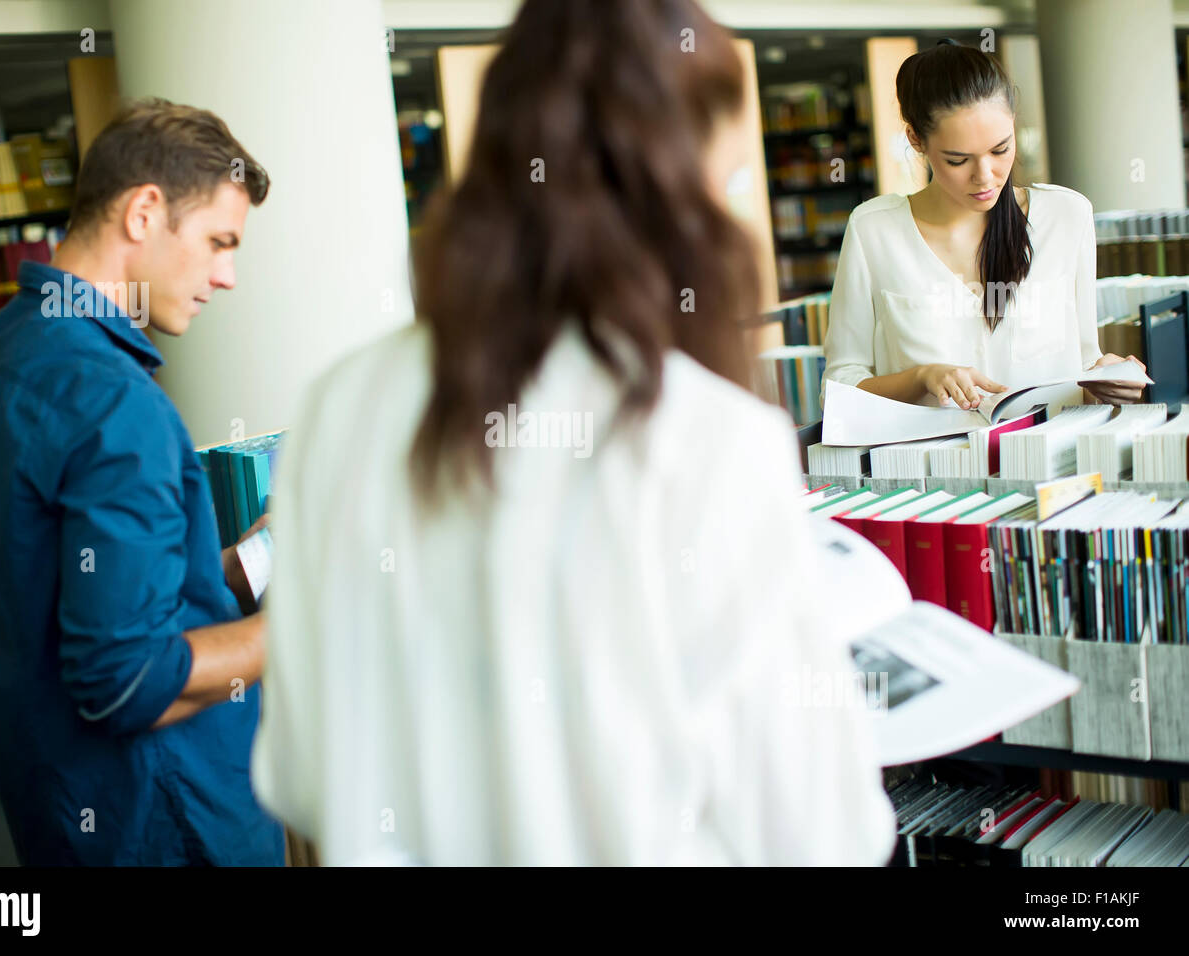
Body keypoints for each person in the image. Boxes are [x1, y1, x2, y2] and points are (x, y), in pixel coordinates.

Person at [251, 0, 897, 865]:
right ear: (677, 191)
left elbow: (299, 774)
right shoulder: (711, 441)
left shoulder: (336, 411)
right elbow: (817, 833)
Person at [0, 99, 285, 865]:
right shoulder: (116, 404)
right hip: (168, 820)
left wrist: (233, 573)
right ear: (143, 213)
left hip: (60, 804)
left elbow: (63, 592)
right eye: (218, 242)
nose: (226, 277)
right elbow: (128, 680)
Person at [824, 39, 1145, 411]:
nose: (986, 176)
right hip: (933, 450)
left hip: (1052, 447)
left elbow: (1085, 361)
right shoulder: (874, 231)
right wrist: (920, 377)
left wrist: (1108, 379)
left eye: (1000, 149)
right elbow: (838, 390)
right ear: (916, 139)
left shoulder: (1067, 216)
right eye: (958, 160)